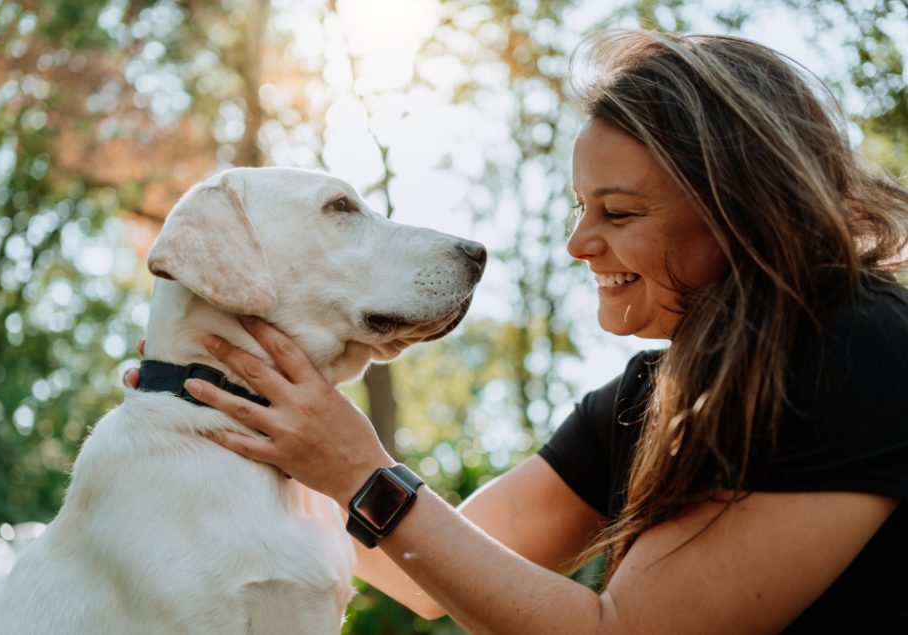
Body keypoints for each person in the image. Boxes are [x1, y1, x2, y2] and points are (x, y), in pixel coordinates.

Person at [125, 30, 908, 632]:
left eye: (620, 212)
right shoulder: (645, 400)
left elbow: (623, 629)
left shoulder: (860, 345)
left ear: (741, 211)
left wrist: (364, 472)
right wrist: (250, 423)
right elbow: (426, 571)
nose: (578, 245)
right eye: (580, 207)